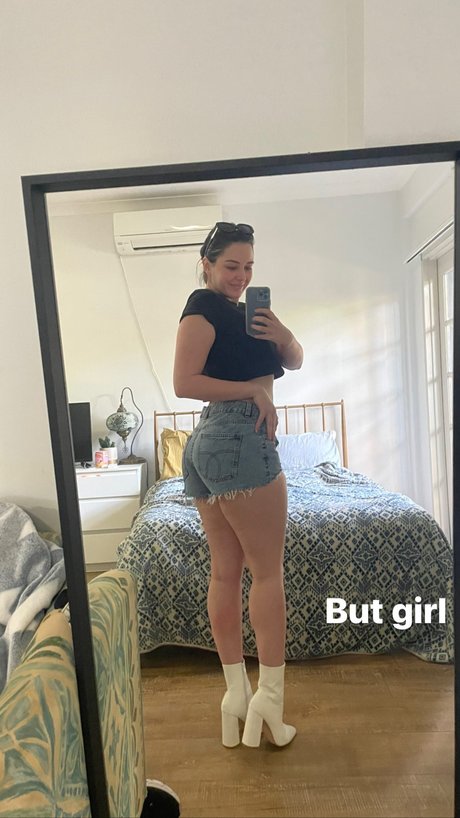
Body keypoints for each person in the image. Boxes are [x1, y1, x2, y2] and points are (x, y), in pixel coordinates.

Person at [173, 222, 303, 748]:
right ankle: (269, 699)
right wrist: (252, 391)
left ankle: (236, 696)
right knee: (266, 573)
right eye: (231, 265)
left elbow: (295, 359)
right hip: (237, 435)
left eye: (248, 267)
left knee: (225, 572)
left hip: (213, 442)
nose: (241, 276)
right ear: (206, 263)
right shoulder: (202, 306)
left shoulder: (247, 315)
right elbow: (184, 382)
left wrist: (282, 334)